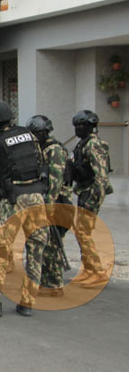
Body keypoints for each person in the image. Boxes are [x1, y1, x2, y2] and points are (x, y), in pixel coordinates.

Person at [0, 100, 48, 317]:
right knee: (35, 250)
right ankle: (27, 303)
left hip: (12, 199)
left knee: (0, 251)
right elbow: (40, 162)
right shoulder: (30, 135)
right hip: (36, 197)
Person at [26, 115, 73, 297]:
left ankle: (54, 283)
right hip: (45, 200)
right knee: (46, 244)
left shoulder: (55, 150)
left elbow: (55, 180)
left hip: (57, 201)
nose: (36, 136)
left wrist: (49, 207)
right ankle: (48, 280)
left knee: (53, 244)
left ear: (46, 132)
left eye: (38, 132)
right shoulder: (41, 149)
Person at [70, 110, 112, 288]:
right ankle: (88, 269)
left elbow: (101, 177)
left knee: (83, 232)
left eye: (81, 126)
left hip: (91, 193)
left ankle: (98, 271)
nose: (78, 129)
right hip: (84, 190)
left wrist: (94, 198)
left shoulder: (94, 145)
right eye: (77, 126)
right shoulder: (83, 144)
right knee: (81, 231)